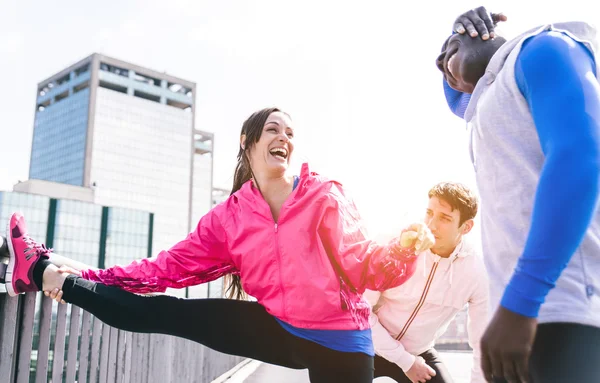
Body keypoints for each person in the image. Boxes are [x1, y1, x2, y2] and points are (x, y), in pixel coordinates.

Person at [1, 107, 434, 383]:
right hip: (280, 327)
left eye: (290, 132)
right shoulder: (230, 217)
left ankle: (46, 269)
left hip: (341, 342)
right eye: (272, 129)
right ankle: (40, 270)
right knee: (164, 312)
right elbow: (162, 270)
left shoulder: (324, 196)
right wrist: (84, 276)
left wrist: (406, 247)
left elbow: (365, 268)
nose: (284, 136)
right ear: (248, 144)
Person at [437, 7, 600, 382]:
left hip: (563, 313)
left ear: (480, 33)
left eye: (449, 49)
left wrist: (522, 301)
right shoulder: (490, 102)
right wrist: (454, 38)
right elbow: (460, 97)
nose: (441, 63)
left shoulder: (544, 47)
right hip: (521, 321)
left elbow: (580, 158)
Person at [366, 182, 488, 383]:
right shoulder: (396, 243)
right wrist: (406, 362)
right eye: (429, 213)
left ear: (466, 227)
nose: (431, 225)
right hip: (366, 343)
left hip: (418, 352)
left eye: (445, 218)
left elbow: (481, 342)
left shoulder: (475, 273)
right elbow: (361, 312)